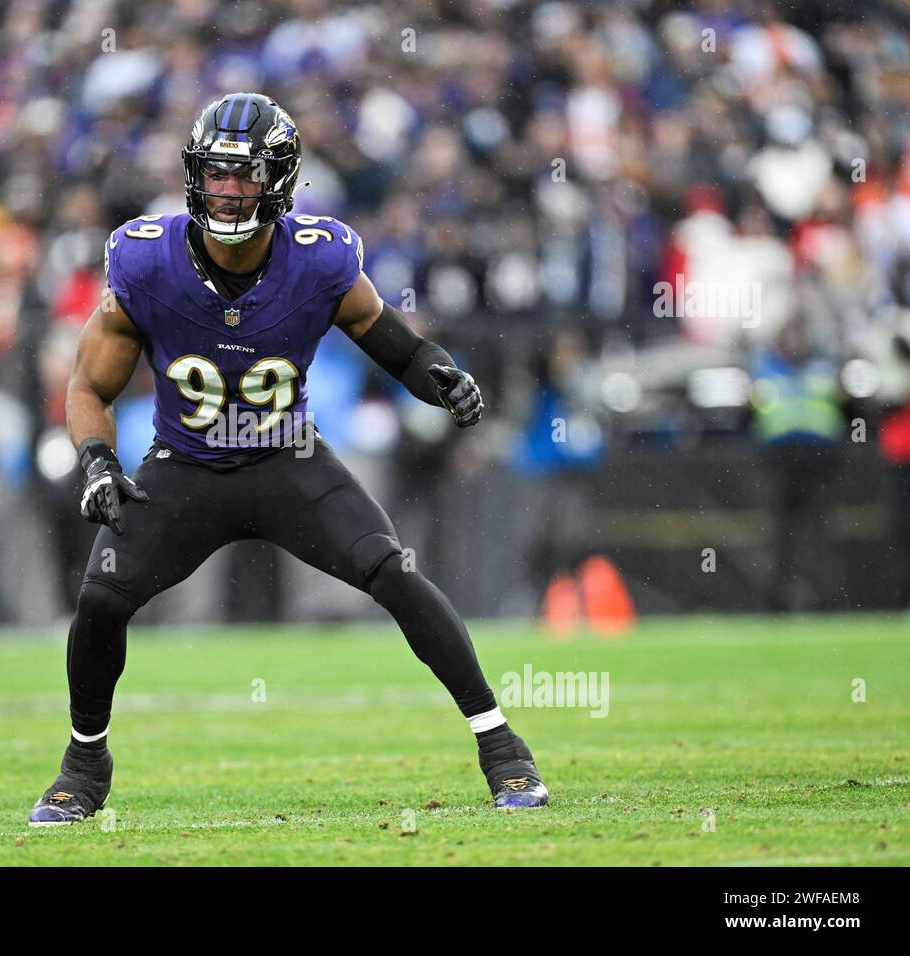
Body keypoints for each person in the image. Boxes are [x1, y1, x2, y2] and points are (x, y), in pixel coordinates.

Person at [29, 94, 548, 826]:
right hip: (186, 463)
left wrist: (439, 373)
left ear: (280, 180)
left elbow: (381, 330)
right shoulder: (145, 258)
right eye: (215, 172)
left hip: (287, 459)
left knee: (394, 573)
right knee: (101, 599)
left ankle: (503, 749)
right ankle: (83, 765)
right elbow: (90, 384)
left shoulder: (319, 256)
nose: (227, 188)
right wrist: (97, 463)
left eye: (244, 175)